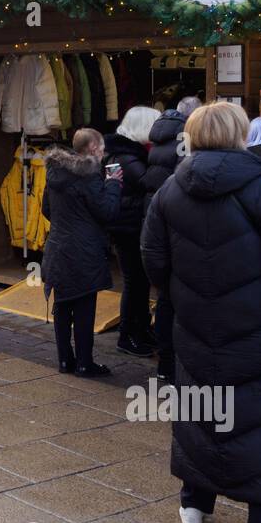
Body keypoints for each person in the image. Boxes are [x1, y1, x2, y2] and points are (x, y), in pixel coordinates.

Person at [142, 101, 261, 523]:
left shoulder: (170, 191)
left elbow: (153, 259)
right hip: (258, 329)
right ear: (240, 136)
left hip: (196, 325)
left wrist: (180, 297)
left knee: (201, 411)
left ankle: (194, 504)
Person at [42, 127, 123, 377]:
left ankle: (65, 361)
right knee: (85, 307)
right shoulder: (89, 176)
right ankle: (85, 363)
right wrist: (113, 185)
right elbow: (107, 212)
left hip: (58, 247)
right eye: (102, 148)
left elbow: (47, 209)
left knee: (63, 305)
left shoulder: (55, 172)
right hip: (84, 250)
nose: (104, 153)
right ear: (92, 149)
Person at [141, 96, 200, 381]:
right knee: (181, 302)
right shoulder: (185, 142)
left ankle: (165, 364)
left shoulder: (158, 136)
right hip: (179, 224)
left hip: (158, 217)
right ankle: (179, 365)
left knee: (166, 298)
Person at [106, 105, 160, 357]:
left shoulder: (125, 154)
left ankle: (138, 330)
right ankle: (129, 335)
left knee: (138, 282)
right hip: (128, 229)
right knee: (134, 283)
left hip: (128, 227)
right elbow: (149, 182)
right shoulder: (127, 158)